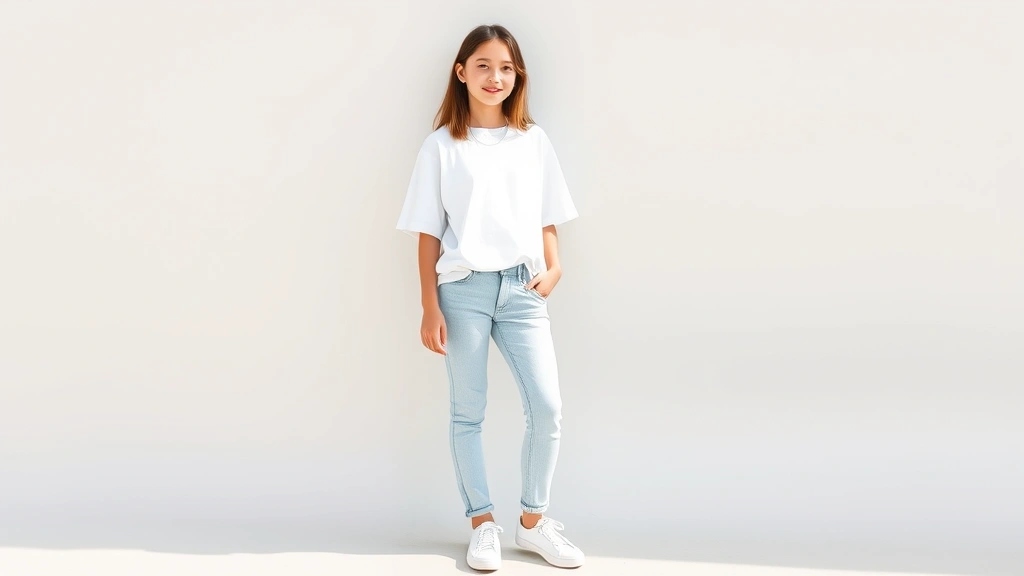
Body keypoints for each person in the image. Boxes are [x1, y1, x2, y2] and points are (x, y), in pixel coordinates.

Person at [395, 23, 585, 571]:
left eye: (505, 67)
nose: (494, 77)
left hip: (523, 288)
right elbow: (428, 233)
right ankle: (482, 523)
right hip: (463, 291)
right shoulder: (440, 147)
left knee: (546, 407)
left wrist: (556, 265)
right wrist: (430, 305)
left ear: (516, 76)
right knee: (467, 412)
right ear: (461, 72)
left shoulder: (533, 140)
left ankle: (532, 522)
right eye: (482, 65)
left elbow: (547, 212)